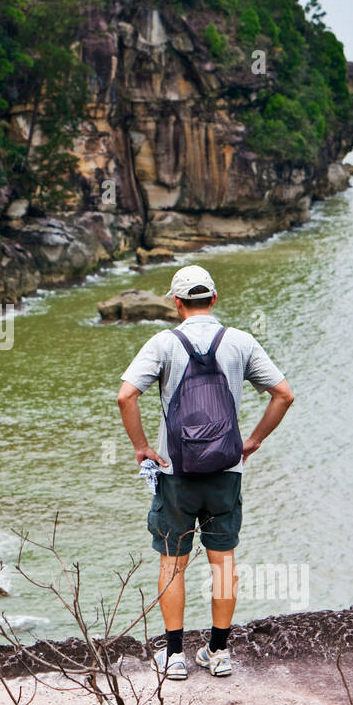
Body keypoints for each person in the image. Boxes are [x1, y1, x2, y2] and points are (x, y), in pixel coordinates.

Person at [116, 264, 294, 680]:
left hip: (175, 472)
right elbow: (283, 395)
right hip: (226, 471)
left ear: (176, 303)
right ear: (213, 299)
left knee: (172, 562)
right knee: (223, 563)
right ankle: (218, 652)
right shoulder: (241, 342)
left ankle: (175, 655)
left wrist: (142, 449)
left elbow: (126, 397)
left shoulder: (162, 343)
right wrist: (252, 441)